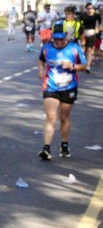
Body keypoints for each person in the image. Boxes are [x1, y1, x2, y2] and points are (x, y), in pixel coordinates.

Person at [37, 20, 87, 160]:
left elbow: (84, 66)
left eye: (62, 39)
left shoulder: (74, 48)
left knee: (64, 118)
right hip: (51, 86)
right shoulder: (47, 48)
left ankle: (64, 144)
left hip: (69, 87)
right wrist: (41, 70)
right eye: (56, 39)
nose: (59, 42)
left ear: (66, 35)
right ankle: (46, 148)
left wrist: (72, 66)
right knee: (51, 116)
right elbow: (41, 59)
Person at [79, 2, 100, 72]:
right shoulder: (83, 16)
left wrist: (98, 29)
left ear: (93, 9)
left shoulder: (96, 16)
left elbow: (100, 23)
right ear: (86, 9)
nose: (90, 9)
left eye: (91, 8)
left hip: (92, 34)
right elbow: (79, 23)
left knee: (89, 50)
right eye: (88, 8)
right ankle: (83, 63)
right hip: (84, 34)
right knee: (83, 49)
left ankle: (88, 66)